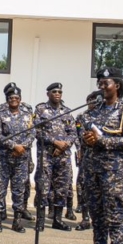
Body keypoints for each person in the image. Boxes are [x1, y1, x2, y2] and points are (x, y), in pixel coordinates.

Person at [75, 67, 123, 244]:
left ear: (117, 85)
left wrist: (102, 141)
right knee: (98, 220)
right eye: (99, 82)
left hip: (114, 174)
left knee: (114, 221)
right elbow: (83, 128)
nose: (101, 85)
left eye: (106, 82)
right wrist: (87, 137)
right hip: (93, 171)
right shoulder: (95, 109)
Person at [0, 84, 35, 234]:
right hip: (2, 159)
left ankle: (17, 222)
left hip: (21, 159)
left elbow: (32, 133)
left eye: (16, 98)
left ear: (20, 99)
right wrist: (13, 146)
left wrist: (22, 147)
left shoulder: (27, 114)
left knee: (19, 191)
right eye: (11, 98)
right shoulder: (0, 113)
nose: (14, 100)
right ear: (7, 99)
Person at [34, 82, 77, 231]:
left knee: (62, 188)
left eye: (59, 91)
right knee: (43, 187)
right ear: (48, 94)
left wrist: (64, 145)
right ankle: (40, 220)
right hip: (46, 155)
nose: (57, 94)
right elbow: (37, 131)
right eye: (54, 91)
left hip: (63, 156)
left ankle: (57, 220)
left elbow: (73, 133)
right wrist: (54, 142)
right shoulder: (40, 109)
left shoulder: (67, 111)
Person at [73, 91, 103, 232]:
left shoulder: (107, 117)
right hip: (88, 157)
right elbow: (79, 136)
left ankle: (101, 220)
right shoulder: (83, 117)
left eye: (94, 100)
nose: (92, 103)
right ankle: (85, 219)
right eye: (89, 100)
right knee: (85, 188)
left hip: (105, 160)